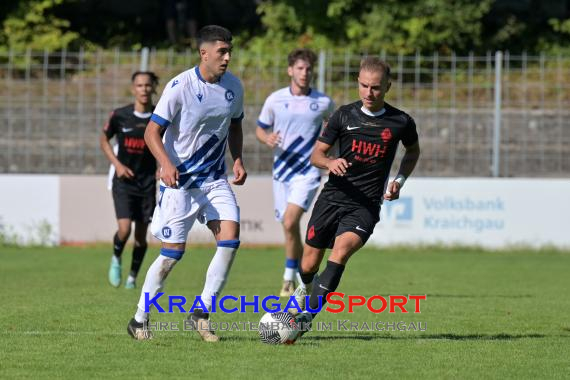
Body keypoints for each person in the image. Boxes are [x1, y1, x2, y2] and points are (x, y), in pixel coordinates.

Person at [127, 25, 246, 342]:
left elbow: (235, 125)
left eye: (229, 51)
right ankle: (139, 319)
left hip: (214, 181)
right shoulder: (180, 86)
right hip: (179, 184)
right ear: (203, 53)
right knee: (171, 255)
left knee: (231, 238)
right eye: (222, 51)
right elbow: (152, 132)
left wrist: (237, 158)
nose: (227, 57)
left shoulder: (233, 86)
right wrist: (165, 164)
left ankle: (201, 313)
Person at [290, 56, 421, 340]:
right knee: (309, 264)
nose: (368, 93)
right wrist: (330, 163)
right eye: (364, 86)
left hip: (365, 205)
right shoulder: (343, 116)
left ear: (387, 85)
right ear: (357, 83)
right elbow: (316, 155)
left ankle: (306, 318)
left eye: (375, 87)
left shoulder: (400, 121)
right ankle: (303, 290)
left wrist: (399, 180)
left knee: (340, 254)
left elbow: (413, 152)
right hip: (332, 197)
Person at [256, 48, 334, 297]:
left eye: (308, 69)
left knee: (291, 221)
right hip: (281, 172)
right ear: (290, 70)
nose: (304, 73)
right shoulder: (275, 99)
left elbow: (336, 128)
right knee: (288, 227)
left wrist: (331, 156)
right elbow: (260, 128)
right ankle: (302, 277)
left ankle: (288, 279)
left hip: (308, 172)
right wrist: (267, 138)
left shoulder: (323, 102)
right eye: (300, 68)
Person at [100, 71, 160, 289]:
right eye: (139, 85)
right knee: (124, 229)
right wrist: (117, 164)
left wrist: (162, 166)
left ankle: (133, 277)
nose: (143, 89)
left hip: (147, 183)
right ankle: (116, 259)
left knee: (142, 237)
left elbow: (169, 144)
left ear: (153, 88)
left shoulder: (160, 116)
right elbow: (104, 139)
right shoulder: (120, 115)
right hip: (124, 182)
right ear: (133, 88)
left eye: (147, 85)